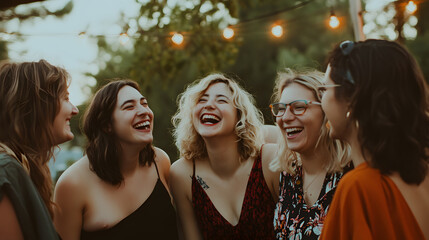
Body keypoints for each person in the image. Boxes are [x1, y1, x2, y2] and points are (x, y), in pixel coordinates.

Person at [319, 39, 429, 239]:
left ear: (352, 99)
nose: (321, 101)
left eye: (324, 89)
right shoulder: (423, 175)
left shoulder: (359, 188)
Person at [53, 79, 179, 240]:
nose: (144, 111)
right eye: (129, 106)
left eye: (144, 103)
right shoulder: (72, 183)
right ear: (107, 125)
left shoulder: (160, 161)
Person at [170, 73, 280, 240]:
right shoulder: (182, 173)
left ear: (239, 116)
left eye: (221, 100)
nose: (209, 105)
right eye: (202, 100)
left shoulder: (269, 159)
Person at [0, 60, 78, 240]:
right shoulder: (5, 172)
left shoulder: (22, 169)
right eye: (65, 98)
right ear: (35, 105)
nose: (74, 110)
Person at [269, 68, 351, 239]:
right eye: (281, 108)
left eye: (298, 107)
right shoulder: (286, 177)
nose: (285, 117)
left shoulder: (352, 174)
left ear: (327, 112)